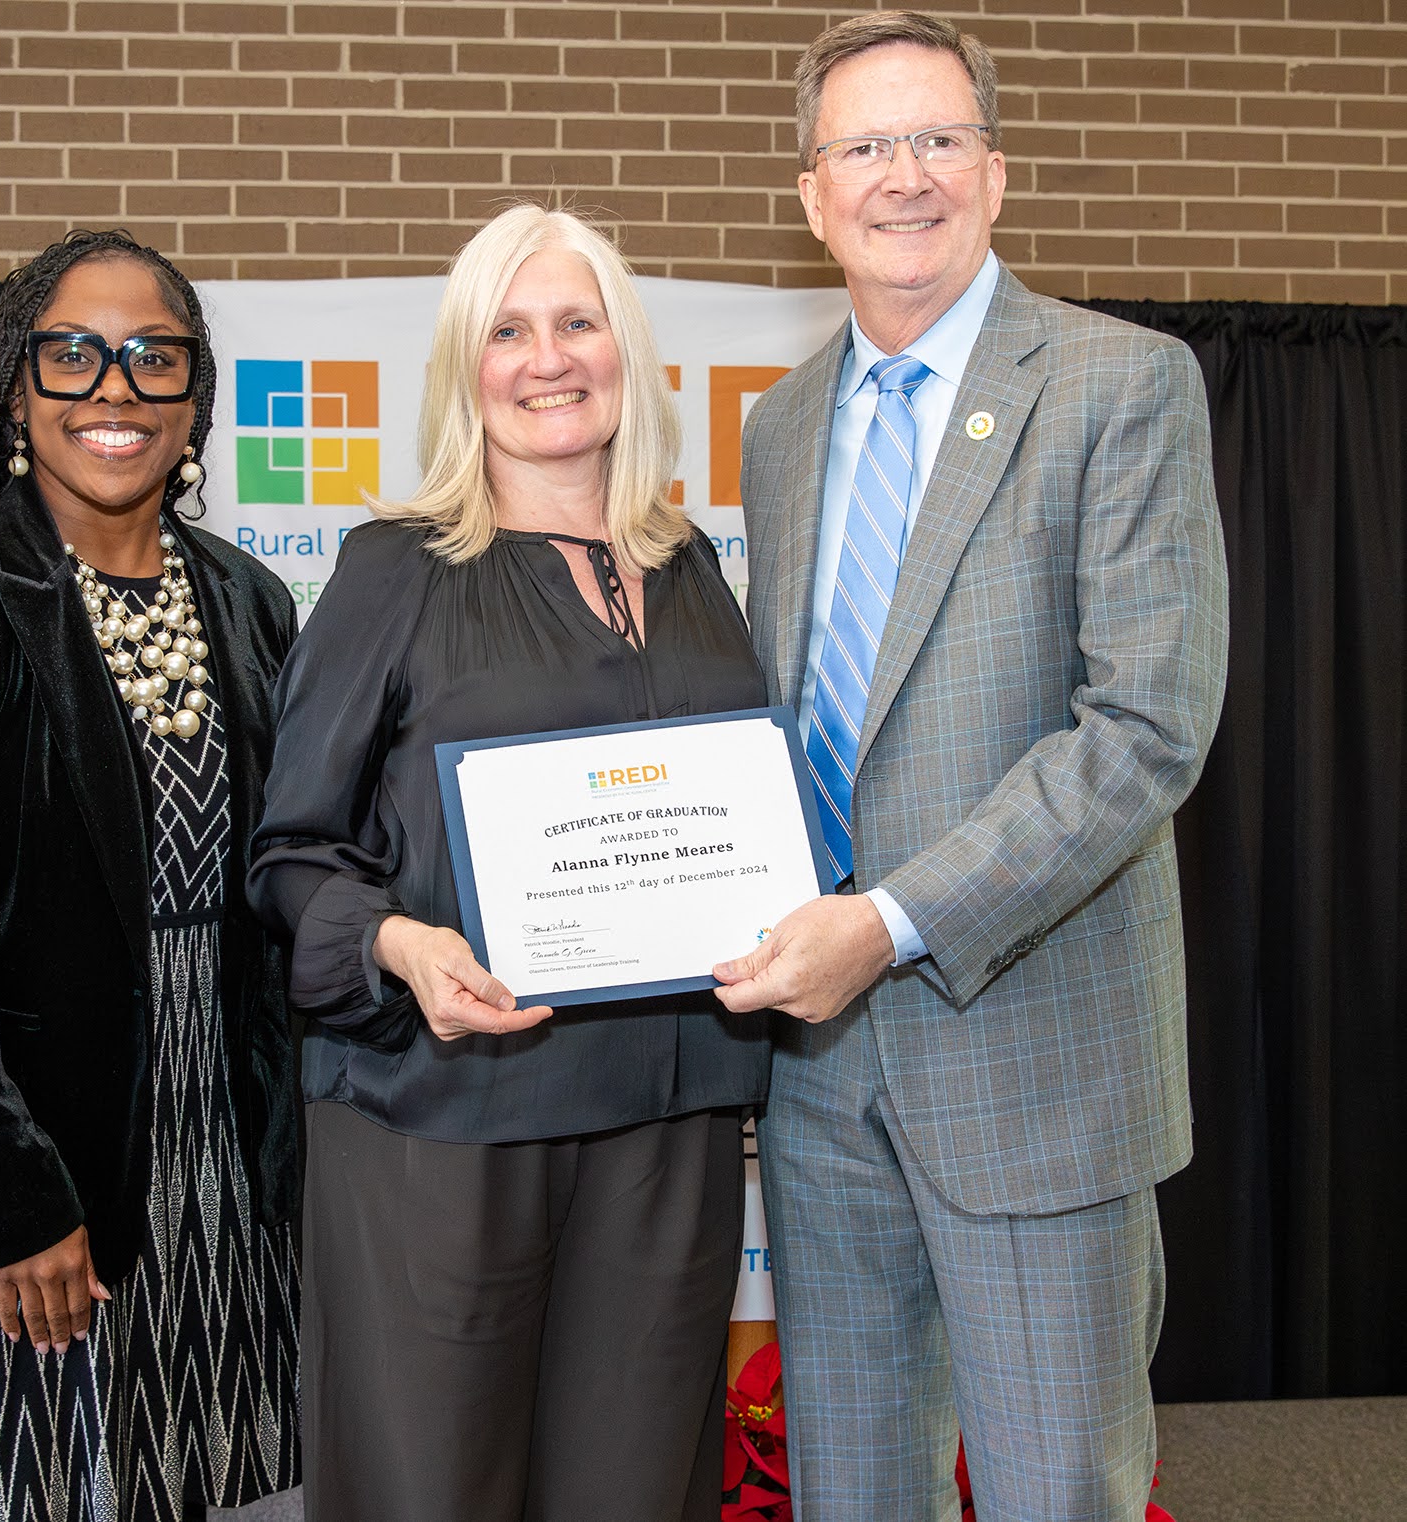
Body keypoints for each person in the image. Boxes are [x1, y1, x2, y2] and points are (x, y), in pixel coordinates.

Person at [711, 13, 1230, 1521]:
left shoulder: (1118, 385)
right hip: (820, 1084)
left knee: (1051, 1493)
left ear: (994, 174)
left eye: (937, 138)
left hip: (1035, 1060)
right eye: (865, 146)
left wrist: (883, 921)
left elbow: (1144, 727)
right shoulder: (782, 425)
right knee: (853, 1492)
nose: (904, 176)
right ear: (812, 194)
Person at [246, 205, 771, 1522]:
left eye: (577, 321)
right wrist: (395, 943)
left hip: (670, 1112)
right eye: (509, 329)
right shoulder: (394, 569)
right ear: (464, 368)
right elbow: (293, 850)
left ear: (627, 352)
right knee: (436, 1487)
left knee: (637, 1488)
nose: (547, 358)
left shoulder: (693, 562)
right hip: (447, 1114)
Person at [0, 230, 301, 1522]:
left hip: (205, 1143)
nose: (114, 387)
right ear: (17, 390)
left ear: (196, 396)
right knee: (13, 1483)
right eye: (73, 354)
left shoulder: (250, 600)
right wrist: (11, 1197)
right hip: (20, 1144)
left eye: (155, 357)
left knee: (171, 1476)